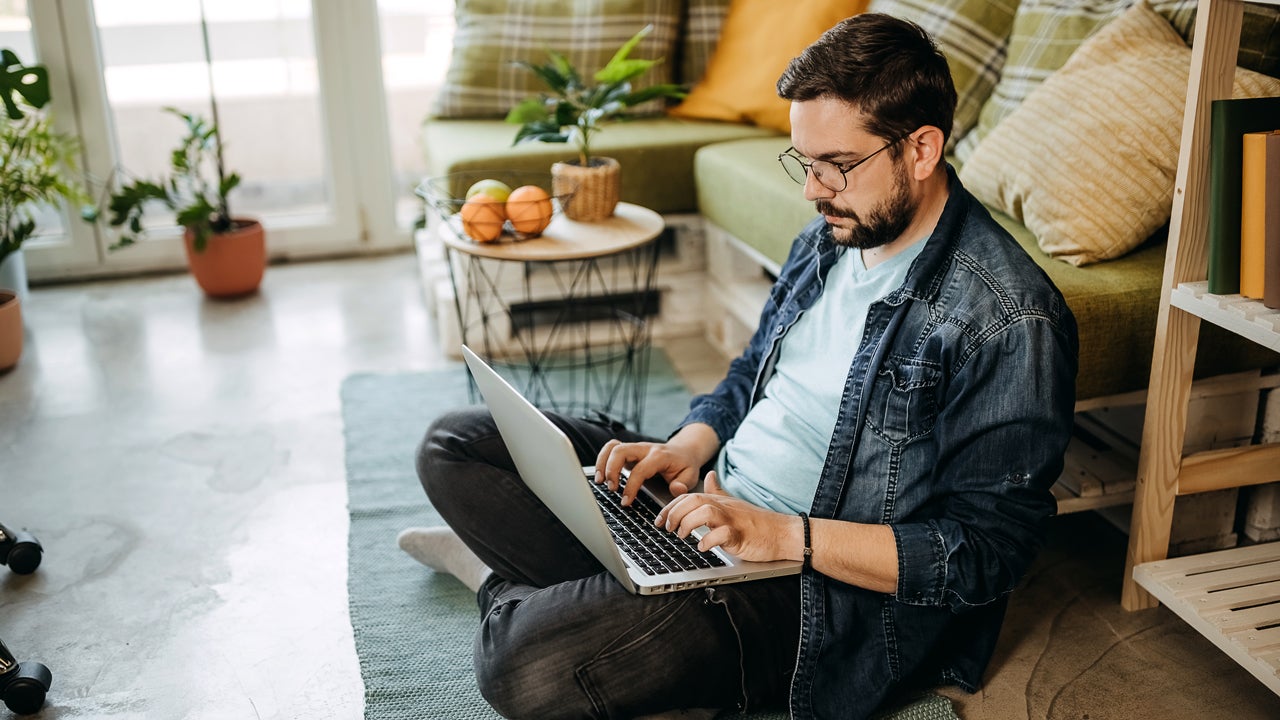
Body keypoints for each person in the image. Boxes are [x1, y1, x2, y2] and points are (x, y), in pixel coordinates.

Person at [400, 12, 1078, 720]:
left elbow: (985, 555)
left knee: (523, 668)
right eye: (803, 162)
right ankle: (608, 579)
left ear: (922, 149)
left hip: (805, 587)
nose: (813, 191)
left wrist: (783, 536)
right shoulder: (834, 233)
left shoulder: (1010, 319)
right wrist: (689, 448)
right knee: (453, 445)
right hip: (706, 503)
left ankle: (502, 576)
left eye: (836, 166)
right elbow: (755, 370)